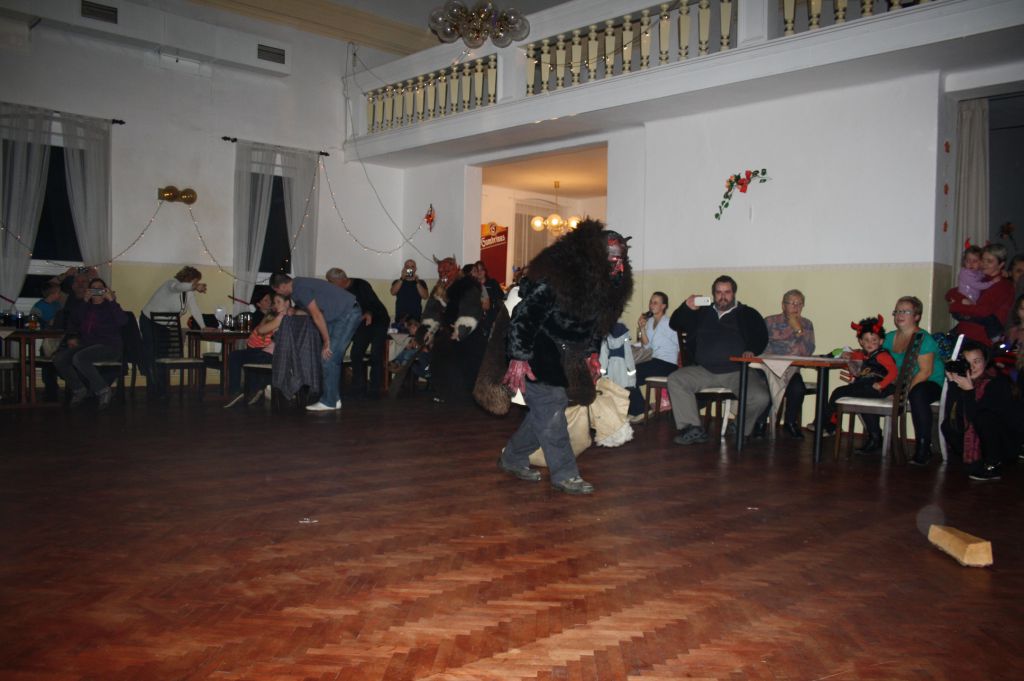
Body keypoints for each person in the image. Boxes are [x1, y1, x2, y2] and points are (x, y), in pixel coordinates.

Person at [497, 220, 633, 495]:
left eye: (620, 259)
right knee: (550, 405)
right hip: (538, 343)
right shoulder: (560, 277)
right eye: (611, 258)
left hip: (568, 352)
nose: (616, 265)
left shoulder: (610, 286)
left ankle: (512, 457)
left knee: (551, 406)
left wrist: (591, 352)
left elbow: (596, 326)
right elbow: (525, 315)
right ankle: (565, 474)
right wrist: (519, 356)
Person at [666, 275, 769, 445]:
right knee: (675, 379)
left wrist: (751, 349)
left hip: (737, 371)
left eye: (727, 292)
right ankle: (692, 429)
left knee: (761, 397)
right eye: (719, 292)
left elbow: (761, 336)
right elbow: (675, 323)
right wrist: (686, 307)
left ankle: (740, 427)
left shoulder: (748, 313)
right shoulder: (701, 312)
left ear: (734, 293)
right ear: (713, 294)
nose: (723, 296)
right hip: (704, 370)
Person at [867, 296, 945, 465]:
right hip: (901, 382)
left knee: (918, 394)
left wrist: (902, 393)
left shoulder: (924, 338)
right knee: (868, 386)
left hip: (929, 383)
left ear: (917, 316)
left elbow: (925, 372)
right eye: (897, 311)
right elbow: (875, 359)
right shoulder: (889, 338)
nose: (899, 315)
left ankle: (923, 448)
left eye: (905, 311)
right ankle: (874, 437)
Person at [270, 272, 361, 411]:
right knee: (330, 358)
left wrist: (326, 341)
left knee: (328, 357)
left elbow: (317, 315)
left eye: (277, 291)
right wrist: (295, 312)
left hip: (347, 313)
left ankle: (328, 402)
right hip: (339, 316)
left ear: (281, 286)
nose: (278, 294)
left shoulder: (299, 288)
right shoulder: (298, 286)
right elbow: (314, 311)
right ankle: (334, 399)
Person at [942, 341, 1018, 481]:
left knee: (984, 418)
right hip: (983, 438)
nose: (972, 367)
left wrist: (969, 391)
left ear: (986, 362)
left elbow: (977, 417)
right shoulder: (965, 380)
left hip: (1005, 443)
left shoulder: (996, 382)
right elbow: (953, 413)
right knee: (948, 424)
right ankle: (975, 459)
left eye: (977, 361)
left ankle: (993, 465)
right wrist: (952, 383)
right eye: (967, 362)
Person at [821, 316, 899, 452]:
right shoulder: (864, 355)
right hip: (868, 387)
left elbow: (894, 372)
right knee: (864, 404)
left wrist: (882, 384)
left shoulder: (882, 355)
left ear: (881, 341)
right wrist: (847, 355)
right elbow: (854, 357)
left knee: (838, 392)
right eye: (866, 340)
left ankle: (829, 423)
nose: (870, 343)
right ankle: (875, 438)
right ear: (861, 341)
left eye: (874, 340)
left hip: (879, 388)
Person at [52, 278, 127, 409]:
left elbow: (123, 321)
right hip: (88, 346)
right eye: (94, 288)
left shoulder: (110, 306)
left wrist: (112, 301)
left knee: (79, 358)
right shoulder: (86, 306)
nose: (97, 291)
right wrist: (85, 301)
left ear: (105, 291)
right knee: (60, 359)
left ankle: (103, 390)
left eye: (100, 288)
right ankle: (79, 389)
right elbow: (75, 320)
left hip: (110, 346)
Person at [140, 266, 208, 397]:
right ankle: (153, 389)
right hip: (149, 321)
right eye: (195, 281)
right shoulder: (171, 284)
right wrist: (193, 286)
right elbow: (178, 287)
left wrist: (203, 327)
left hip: (164, 326)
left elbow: (194, 309)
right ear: (188, 279)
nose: (196, 284)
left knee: (163, 355)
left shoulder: (189, 293)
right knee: (152, 355)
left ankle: (162, 389)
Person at [326, 268, 390, 398]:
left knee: (376, 354)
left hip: (379, 320)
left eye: (331, 282)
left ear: (340, 280)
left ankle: (375, 388)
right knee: (356, 353)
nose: (330, 285)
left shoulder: (361, 285)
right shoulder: (338, 291)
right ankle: (358, 386)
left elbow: (373, 304)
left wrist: (369, 313)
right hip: (362, 323)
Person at [430, 258, 485, 403]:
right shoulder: (440, 287)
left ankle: (465, 395)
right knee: (444, 362)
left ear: (457, 269)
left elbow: (471, 307)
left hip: (467, 335)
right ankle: (445, 393)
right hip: (448, 332)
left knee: (465, 365)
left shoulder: (467, 285)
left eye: (447, 271)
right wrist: (427, 329)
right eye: (440, 272)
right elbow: (434, 310)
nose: (443, 274)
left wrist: (461, 329)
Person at [762, 289, 816, 438]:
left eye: (799, 303)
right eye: (792, 303)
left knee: (798, 388)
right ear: (783, 305)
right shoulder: (770, 321)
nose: (795, 307)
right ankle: (760, 423)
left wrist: (798, 330)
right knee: (764, 386)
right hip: (769, 367)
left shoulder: (807, 324)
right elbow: (763, 347)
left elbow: (807, 351)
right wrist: (789, 350)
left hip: (792, 369)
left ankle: (790, 422)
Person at [223, 292, 289, 408]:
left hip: (269, 355)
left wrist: (271, 316)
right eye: (274, 302)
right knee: (246, 356)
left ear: (287, 303)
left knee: (235, 356)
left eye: (278, 302)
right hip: (270, 354)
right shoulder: (286, 316)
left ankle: (236, 391)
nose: (274, 305)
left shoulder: (281, 317)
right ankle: (255, 389)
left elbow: (261, 330)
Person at [946, 243, 1014, 346]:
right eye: (983, 260)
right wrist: (961, 299)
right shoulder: (981, 278)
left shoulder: (1003, 285)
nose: (984, 264)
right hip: (966, 336)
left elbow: (983, 311)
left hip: (983, 342)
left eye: (989, 261)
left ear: (1001, 265)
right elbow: (951, 293)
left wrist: (956, 306)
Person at [626, 291, 679, 422]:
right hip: (654, 361)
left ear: (663, 306)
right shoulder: (649, 322)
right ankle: (636, 410)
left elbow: (680, 344)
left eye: (655, 303)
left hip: (667, 364)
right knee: (626, 375)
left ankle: (641, 410)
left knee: (629, 375)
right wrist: (642, 328)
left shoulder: (669, 323)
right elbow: (646, 346)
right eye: (651, 302)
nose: (651, 305)